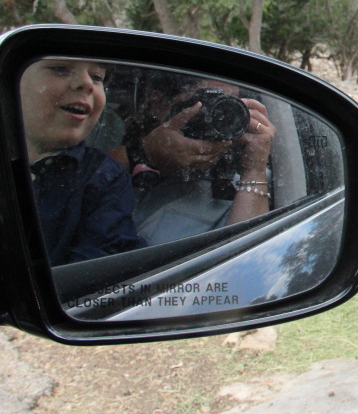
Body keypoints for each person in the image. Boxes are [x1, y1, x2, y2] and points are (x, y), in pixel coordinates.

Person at [114, 71, 276, 244]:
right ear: (159, 104)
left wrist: (254, 169)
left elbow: (245, 256)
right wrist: (145, 152)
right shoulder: (110, 147)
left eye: (227, 106)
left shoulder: (238, 185)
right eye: (204, 103)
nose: (216, 116)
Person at [19, 58, 146, 266]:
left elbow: (101, 268)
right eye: (60, 69)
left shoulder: (105, 177)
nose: (86, 83)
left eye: (97, 77)